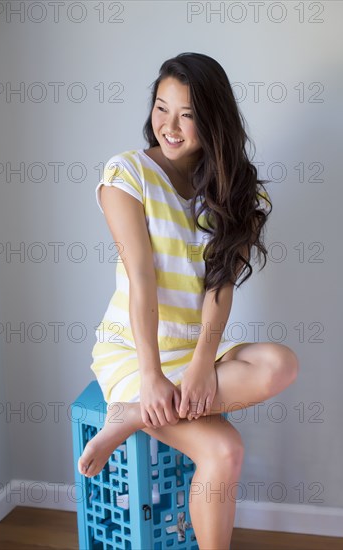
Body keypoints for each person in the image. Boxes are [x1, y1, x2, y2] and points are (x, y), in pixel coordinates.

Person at [78, 52, 299, 548]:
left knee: (280, 365)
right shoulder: (126, 174)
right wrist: (153, 376)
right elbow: (141, 280)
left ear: (213, 119)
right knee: (225, 451)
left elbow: (219, 288)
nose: (169, 126)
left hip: (194, 352)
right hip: (137, 351)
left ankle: (130, 416)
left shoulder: (238, 192)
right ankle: (137, 400)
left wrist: (201, 362)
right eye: (161, 107)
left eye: (187, 114)